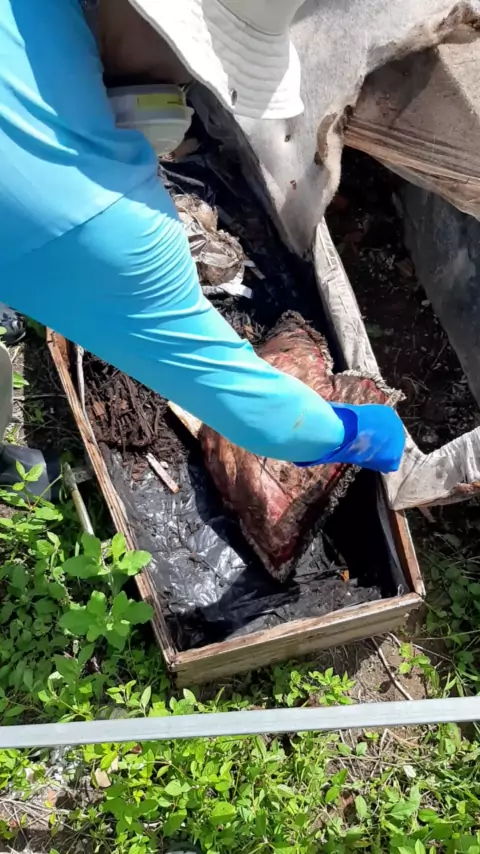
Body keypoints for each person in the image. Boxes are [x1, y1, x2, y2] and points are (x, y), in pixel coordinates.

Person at [0, 0, 405, 472]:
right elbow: (257, 410)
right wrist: (356, 435)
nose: (186, 82)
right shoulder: (111, 223)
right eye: (193, 57)